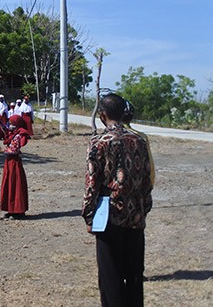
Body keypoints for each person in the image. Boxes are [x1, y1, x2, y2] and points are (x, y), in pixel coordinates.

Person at [82, 93, 152, 306]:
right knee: (134, 275)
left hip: (109, 218)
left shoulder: (98, 142)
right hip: (136, 217)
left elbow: (92, 183)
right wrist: (143, 208)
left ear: (102, 115)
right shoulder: (139, 140)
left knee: (110, 277)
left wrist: (88, 215)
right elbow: (147, 179)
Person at [0, 114, 30, 219]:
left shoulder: (19, 135)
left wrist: (2, 150)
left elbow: (14, 149)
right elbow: (6, 131)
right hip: (9, 162)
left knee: (15, 184)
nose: (10, 125)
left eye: (12, 124)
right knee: (9, 184)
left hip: (14, 162)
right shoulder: (13, 133)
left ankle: (18, 210)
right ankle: (10, 209)